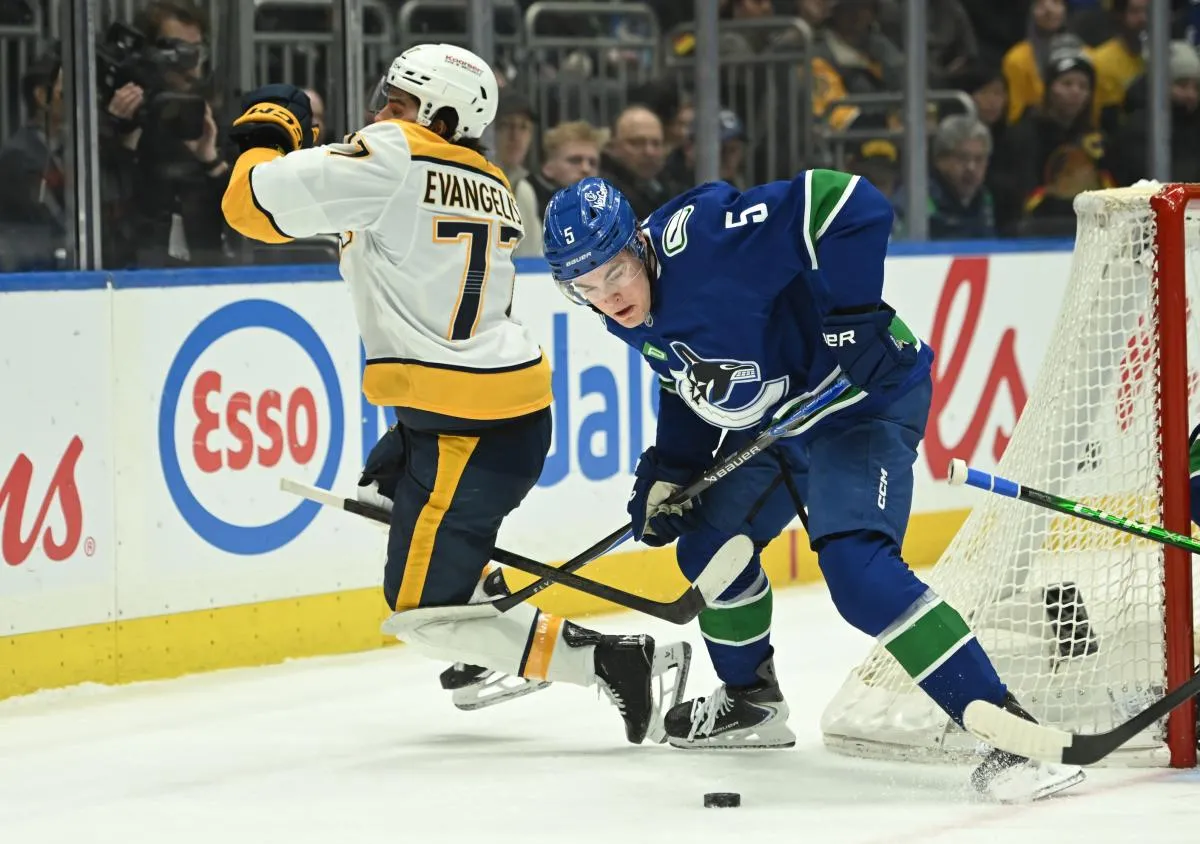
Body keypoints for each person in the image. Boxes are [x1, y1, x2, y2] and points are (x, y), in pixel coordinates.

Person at [540, 172, 1086, 801]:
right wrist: (674, 467)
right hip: (787, 426)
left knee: (858, 574)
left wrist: (853, 317)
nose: (607, 297)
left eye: (613, 273)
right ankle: (753, 703)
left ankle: (1011, 734)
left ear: (638, 242)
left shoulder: (710, 241)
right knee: (707, 544)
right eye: (585, 287)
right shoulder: (624, 309)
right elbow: (686, 372)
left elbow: (848, 201)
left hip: (863, 402)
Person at [219, 44, 690, 744]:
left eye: (397, 100)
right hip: (482, 411)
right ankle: (484, 617)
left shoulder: (392, 154)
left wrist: (268, 139)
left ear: (438, 112)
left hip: (465, 428)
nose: (380, 110)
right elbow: (370, 227)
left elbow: (246, 206)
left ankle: (618, 661)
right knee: (384, 494)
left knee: (422, 612)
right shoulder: (489, 179)